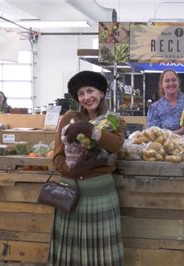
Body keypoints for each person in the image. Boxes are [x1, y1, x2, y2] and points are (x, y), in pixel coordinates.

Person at [49, 71, 125, 265]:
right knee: (70, 252)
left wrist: (88, 128)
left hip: (100, 191)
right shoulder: (68, 118)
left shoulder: (114, 120)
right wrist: (70, 170)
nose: (86, 97)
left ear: (101, 93)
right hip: (70, 193)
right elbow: (57, 157)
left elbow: (115, 146)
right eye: (81, 94)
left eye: (90, 91)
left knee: (101, 252)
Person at [146, 69, 184, 139]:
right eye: (167, 81)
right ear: (161, 85)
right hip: (171, 148)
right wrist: (179, 132)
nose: (171, 83)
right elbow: (152, 136)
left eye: (174, 80)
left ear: (178, 82)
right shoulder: (155, 108)